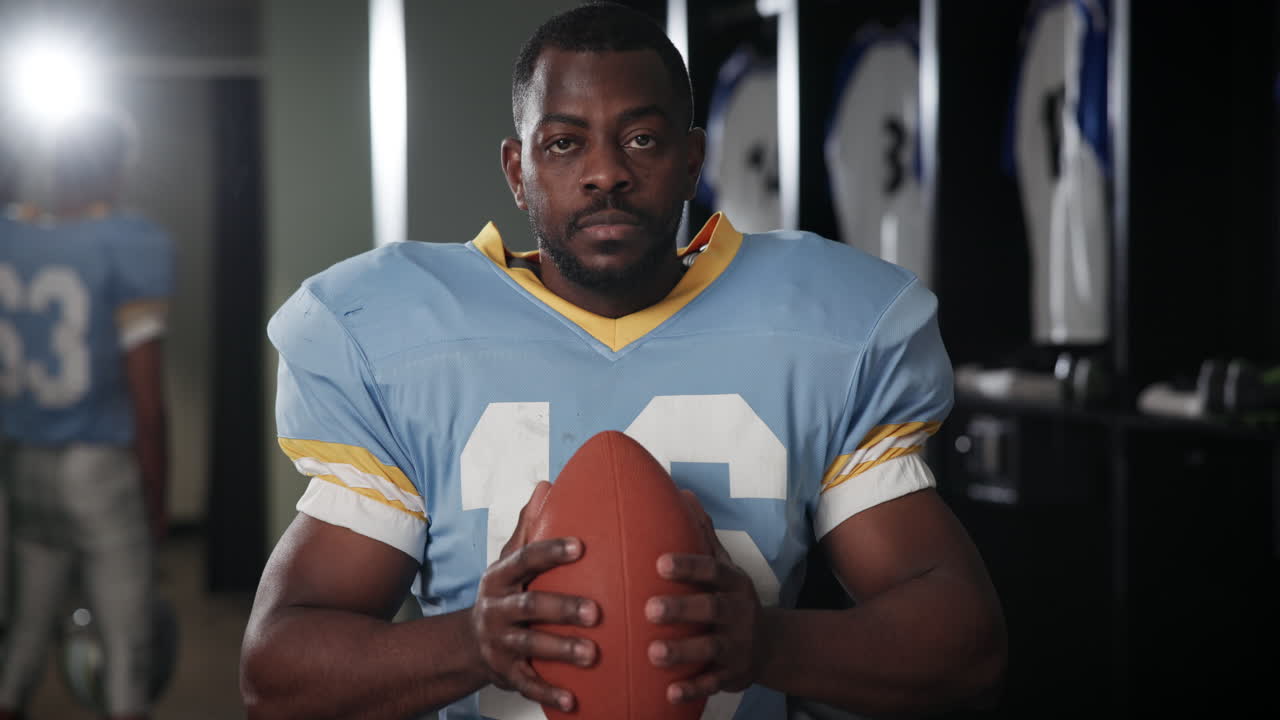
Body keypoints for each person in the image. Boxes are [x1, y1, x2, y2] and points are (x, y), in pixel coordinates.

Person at [240, 3, 1007, 718]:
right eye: (564, 142)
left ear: (692, 160)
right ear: (517, 171)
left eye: (641, 138)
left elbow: (967, 644)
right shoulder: (400, 342)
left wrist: (770, 642)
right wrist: (472, 643)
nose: (605, 172)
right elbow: (274, 674)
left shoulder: (824, 330)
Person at [0, 108, 173, 720]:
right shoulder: (127, 241)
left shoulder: (12, 233)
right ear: (116, 168)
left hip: (23, 461)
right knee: (127, 653)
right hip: (97, 465)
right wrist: (157, 491)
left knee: (23, 637)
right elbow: (146, 398)